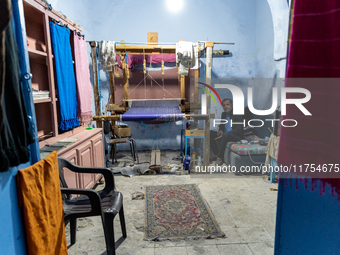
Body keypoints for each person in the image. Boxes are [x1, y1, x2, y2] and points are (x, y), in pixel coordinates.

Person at [210, 98, 247, 164]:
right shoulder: (223, 114)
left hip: (236, 136)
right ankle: (216, 154)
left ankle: (220, 157)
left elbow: (239, 129)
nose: (225, 107)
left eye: (227, 104)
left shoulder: (237, 114)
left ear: (231, 105)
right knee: (210, 133)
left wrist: (224, 134)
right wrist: (220, 131)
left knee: (225, 135)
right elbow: (221, 126)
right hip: (225, 134)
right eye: (224, 105)